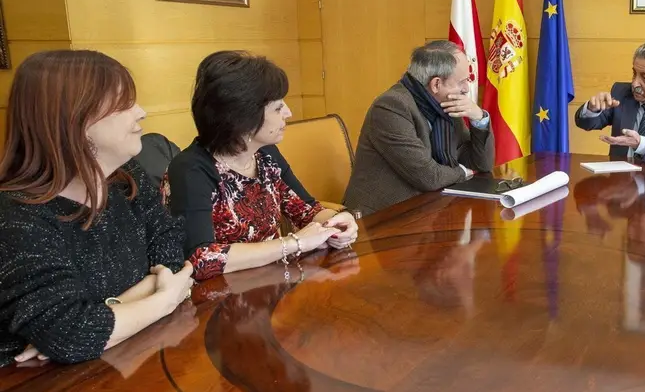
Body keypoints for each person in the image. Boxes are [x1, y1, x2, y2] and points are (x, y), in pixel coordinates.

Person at [0, 50, 193, 367]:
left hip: (125, 358)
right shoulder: (16, 215)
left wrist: (101, 319)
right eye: (124, 104)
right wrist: (165, 298)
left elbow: (170, 247)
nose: (141, 112)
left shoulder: (126, 177)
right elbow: (71, 337)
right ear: (74, 119)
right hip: (35, 390)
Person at [164, 51, 358, 282]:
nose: (288, 113)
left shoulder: (265, 153)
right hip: (216, 301)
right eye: (278, 108)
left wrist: (337, 222)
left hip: (271, 287)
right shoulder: (190, 170)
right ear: (242, 117)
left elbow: (306, 210)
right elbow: (201, 259)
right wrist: (293, 243)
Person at [342, 40, 496, 216]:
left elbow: (481, 163)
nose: (466, 89)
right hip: (383, 218)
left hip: (428, 209)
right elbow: (429, 177)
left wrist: (479, 118)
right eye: (462, 81)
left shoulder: (445, 105)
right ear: (436, 84)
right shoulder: (390, 108)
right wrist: (462, 172)